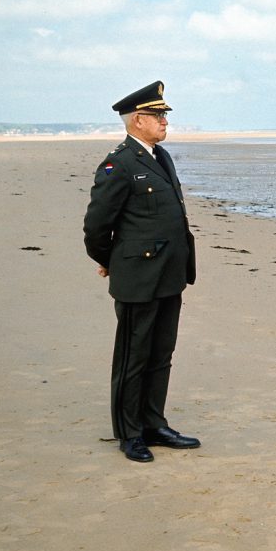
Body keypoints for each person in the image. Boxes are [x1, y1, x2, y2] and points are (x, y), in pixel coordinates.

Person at [83, 81, 199, 462]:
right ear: (137, 120)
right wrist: (110, 261)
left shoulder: (159, 157)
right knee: (134, 356)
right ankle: (130, 433)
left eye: (164, 115)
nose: (165, 121)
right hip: (138, 277)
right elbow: (97, 225)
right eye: (158, 115)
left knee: (161, 353)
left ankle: (153, 424)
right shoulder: (119, 163)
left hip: (169, 274)